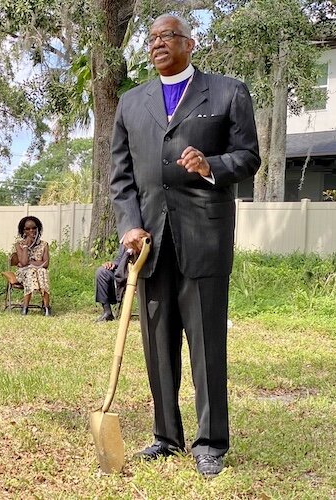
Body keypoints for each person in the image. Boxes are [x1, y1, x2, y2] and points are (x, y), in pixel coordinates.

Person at [110, 14, 260, 477]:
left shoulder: (228, 92)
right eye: (151, 38)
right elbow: (122, 178)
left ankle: (211, 441)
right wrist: (129, 227)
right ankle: (165, 435)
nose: (157, 44)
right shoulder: (131, 103)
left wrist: (210, 164)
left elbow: (249, 157)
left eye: (167, 37)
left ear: (190, 44)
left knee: (206, 343)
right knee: (157, 344)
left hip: (204, 237)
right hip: (151, 245)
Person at [13, 216, 52, 316]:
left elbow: (46, 264)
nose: (31, 231)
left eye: (34, 228)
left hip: (40, 273)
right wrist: (26, 246)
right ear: (23, 231)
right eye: (28, 229)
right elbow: (24, 262)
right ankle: (25, 307)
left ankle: (47, 307)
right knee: (31, 271)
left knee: (42, 271)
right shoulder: (19, 245)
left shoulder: (44, 244)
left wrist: (30, 263)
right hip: (23, 274)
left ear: (38, 228)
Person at [94, 245, 128, 322]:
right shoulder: (126, 239)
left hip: (139, 274)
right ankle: (107, 312)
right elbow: (119, 258)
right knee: (102, 272)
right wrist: (113, 264)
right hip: (121, 271)